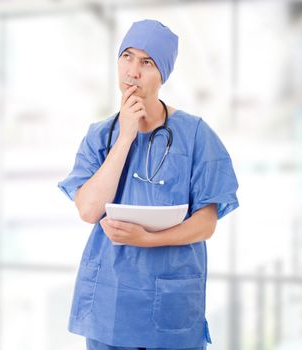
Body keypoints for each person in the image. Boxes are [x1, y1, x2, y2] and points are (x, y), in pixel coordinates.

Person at [58, 19, 239, 350]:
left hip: (170, 304)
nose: (132, 71)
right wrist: (125, 136)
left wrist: (148, 239)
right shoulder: (101, 136)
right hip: (109, 306)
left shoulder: (196, 136)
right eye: (126, 57)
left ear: (162, 74)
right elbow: (88, 209)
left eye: (147, 62)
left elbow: (206, 223)